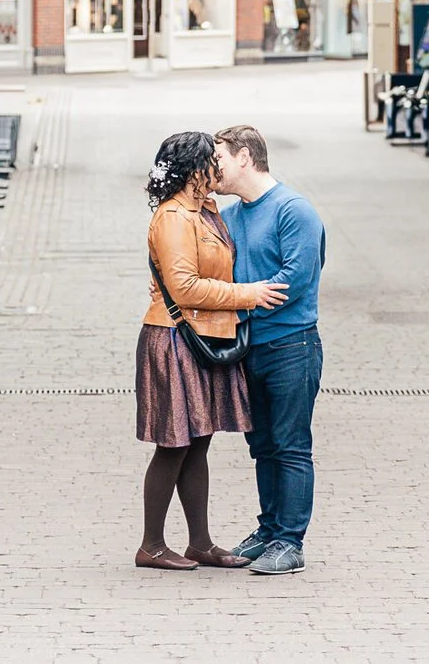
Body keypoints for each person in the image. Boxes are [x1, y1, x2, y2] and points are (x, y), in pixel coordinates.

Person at [136, 131, 286, 571]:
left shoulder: (204, 210)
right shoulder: (173, 218)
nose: (218, 169)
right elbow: (183, 286)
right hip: (175, 340)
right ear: (193, 170)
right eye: (210, 162)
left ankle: (199, 542)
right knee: (174, 444)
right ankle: (152, 545)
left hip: (205, 337)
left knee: (197, 442)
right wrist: (248, 295)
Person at [213, 123, 326, 577]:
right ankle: (269, 528)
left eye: (218, 159)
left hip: (291, 345)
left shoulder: (293, 210)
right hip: (247, 348)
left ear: (244, 157)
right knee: (261, 446)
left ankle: (290, 542)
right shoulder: (229, 216)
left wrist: (240, 297)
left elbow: (297, 278)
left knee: (291, 446)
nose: (212, 170)